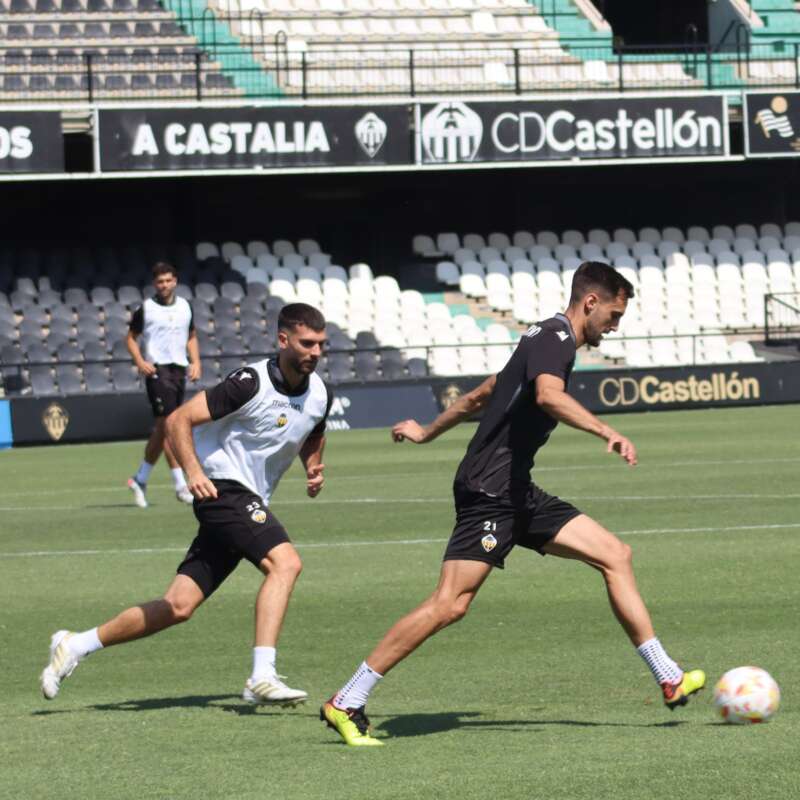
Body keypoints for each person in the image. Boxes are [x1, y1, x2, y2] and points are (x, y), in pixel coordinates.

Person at [321, 261, 705, 746]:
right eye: (613, 314)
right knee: (449, 604)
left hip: (515, 490)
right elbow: (548, 396)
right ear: (590, 302)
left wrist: (425, 432)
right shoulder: (556, 340)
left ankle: (667, 675)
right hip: (491, 491)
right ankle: (346, 700)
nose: (614, 325)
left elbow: (482, 394)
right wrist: (605, 429)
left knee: (615, 555)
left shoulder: (540, 338)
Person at [41, 303, 333, 707]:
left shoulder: (321, 393)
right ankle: (261, 676)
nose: (315, 352)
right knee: (286, 564)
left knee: (178, 606)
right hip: (222, 489)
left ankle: (76, 644)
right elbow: (178, 419)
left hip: (246, 498)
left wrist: (313, 466)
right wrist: (193, 472)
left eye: (321, 344)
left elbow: (313, 430)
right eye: (307, 343)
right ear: (283, 340)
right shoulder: (249, 382)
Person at [126, 261, 201, 508]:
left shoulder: (185, 307)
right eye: (160, 281)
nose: (165, 285)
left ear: (175, 281)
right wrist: (140, 361)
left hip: (178, 369)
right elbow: (130, 338)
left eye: (168, 280)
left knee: (162, 428)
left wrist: (196, 361)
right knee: (171, 425)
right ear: (154, 284)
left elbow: (191, 336)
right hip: (157, 370)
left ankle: (140, 478)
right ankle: (181, 485)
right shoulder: (146, 309)